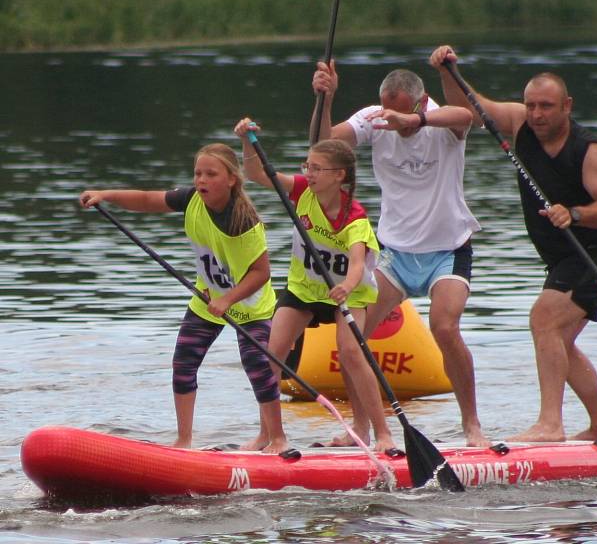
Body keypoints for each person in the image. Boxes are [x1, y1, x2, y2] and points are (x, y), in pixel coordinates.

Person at [430, 45, 597, 443]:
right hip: (561, 259)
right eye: (531, 105)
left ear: (566, 106)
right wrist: (448, 72)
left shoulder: (591, 151)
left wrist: (574, 213)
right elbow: (472, 108)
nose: (537, 114)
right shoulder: (521, 124)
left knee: (544, 321)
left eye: (547, 106)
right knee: (559, 343)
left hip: (594, 255)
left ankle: (550, 425)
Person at [310, 59, 490, 448]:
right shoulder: (374, 120)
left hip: (448, 249)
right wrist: (325, 99)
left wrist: (420, 122)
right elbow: (322, 146)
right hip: (393, 253)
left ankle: (472, 424)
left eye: (401, 112)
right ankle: (360, 426)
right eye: (386, 111)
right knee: (354, 336)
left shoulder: (442, 121)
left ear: (421, 103)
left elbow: (471, 116)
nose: (391, 121)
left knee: (444, 327)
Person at [79, 143, 283, 452]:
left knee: (257, 366)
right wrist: (106, 195)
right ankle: (184, 440)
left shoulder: (244, 221)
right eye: (198, 173)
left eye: (210, 174)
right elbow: (148, 200)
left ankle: (276, 438)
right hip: (207, 297)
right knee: (184, 363)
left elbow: (261, 273)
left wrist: (228, 300)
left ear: (231, 179)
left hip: (251, 305)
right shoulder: (190, 200)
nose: (201, 180)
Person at [234, 118, 398, 454]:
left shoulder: (354, 217)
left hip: (349, 293)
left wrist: (346, 288)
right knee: (272, 353)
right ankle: (269, 435)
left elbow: (355, 264)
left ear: (339, 175)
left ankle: (382, 434)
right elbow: (256, 175)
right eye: (307, 166)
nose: (309, 173)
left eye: (317, 168)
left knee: (352, 354)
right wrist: (248, 143)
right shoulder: (301, 192)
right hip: (305, 289)